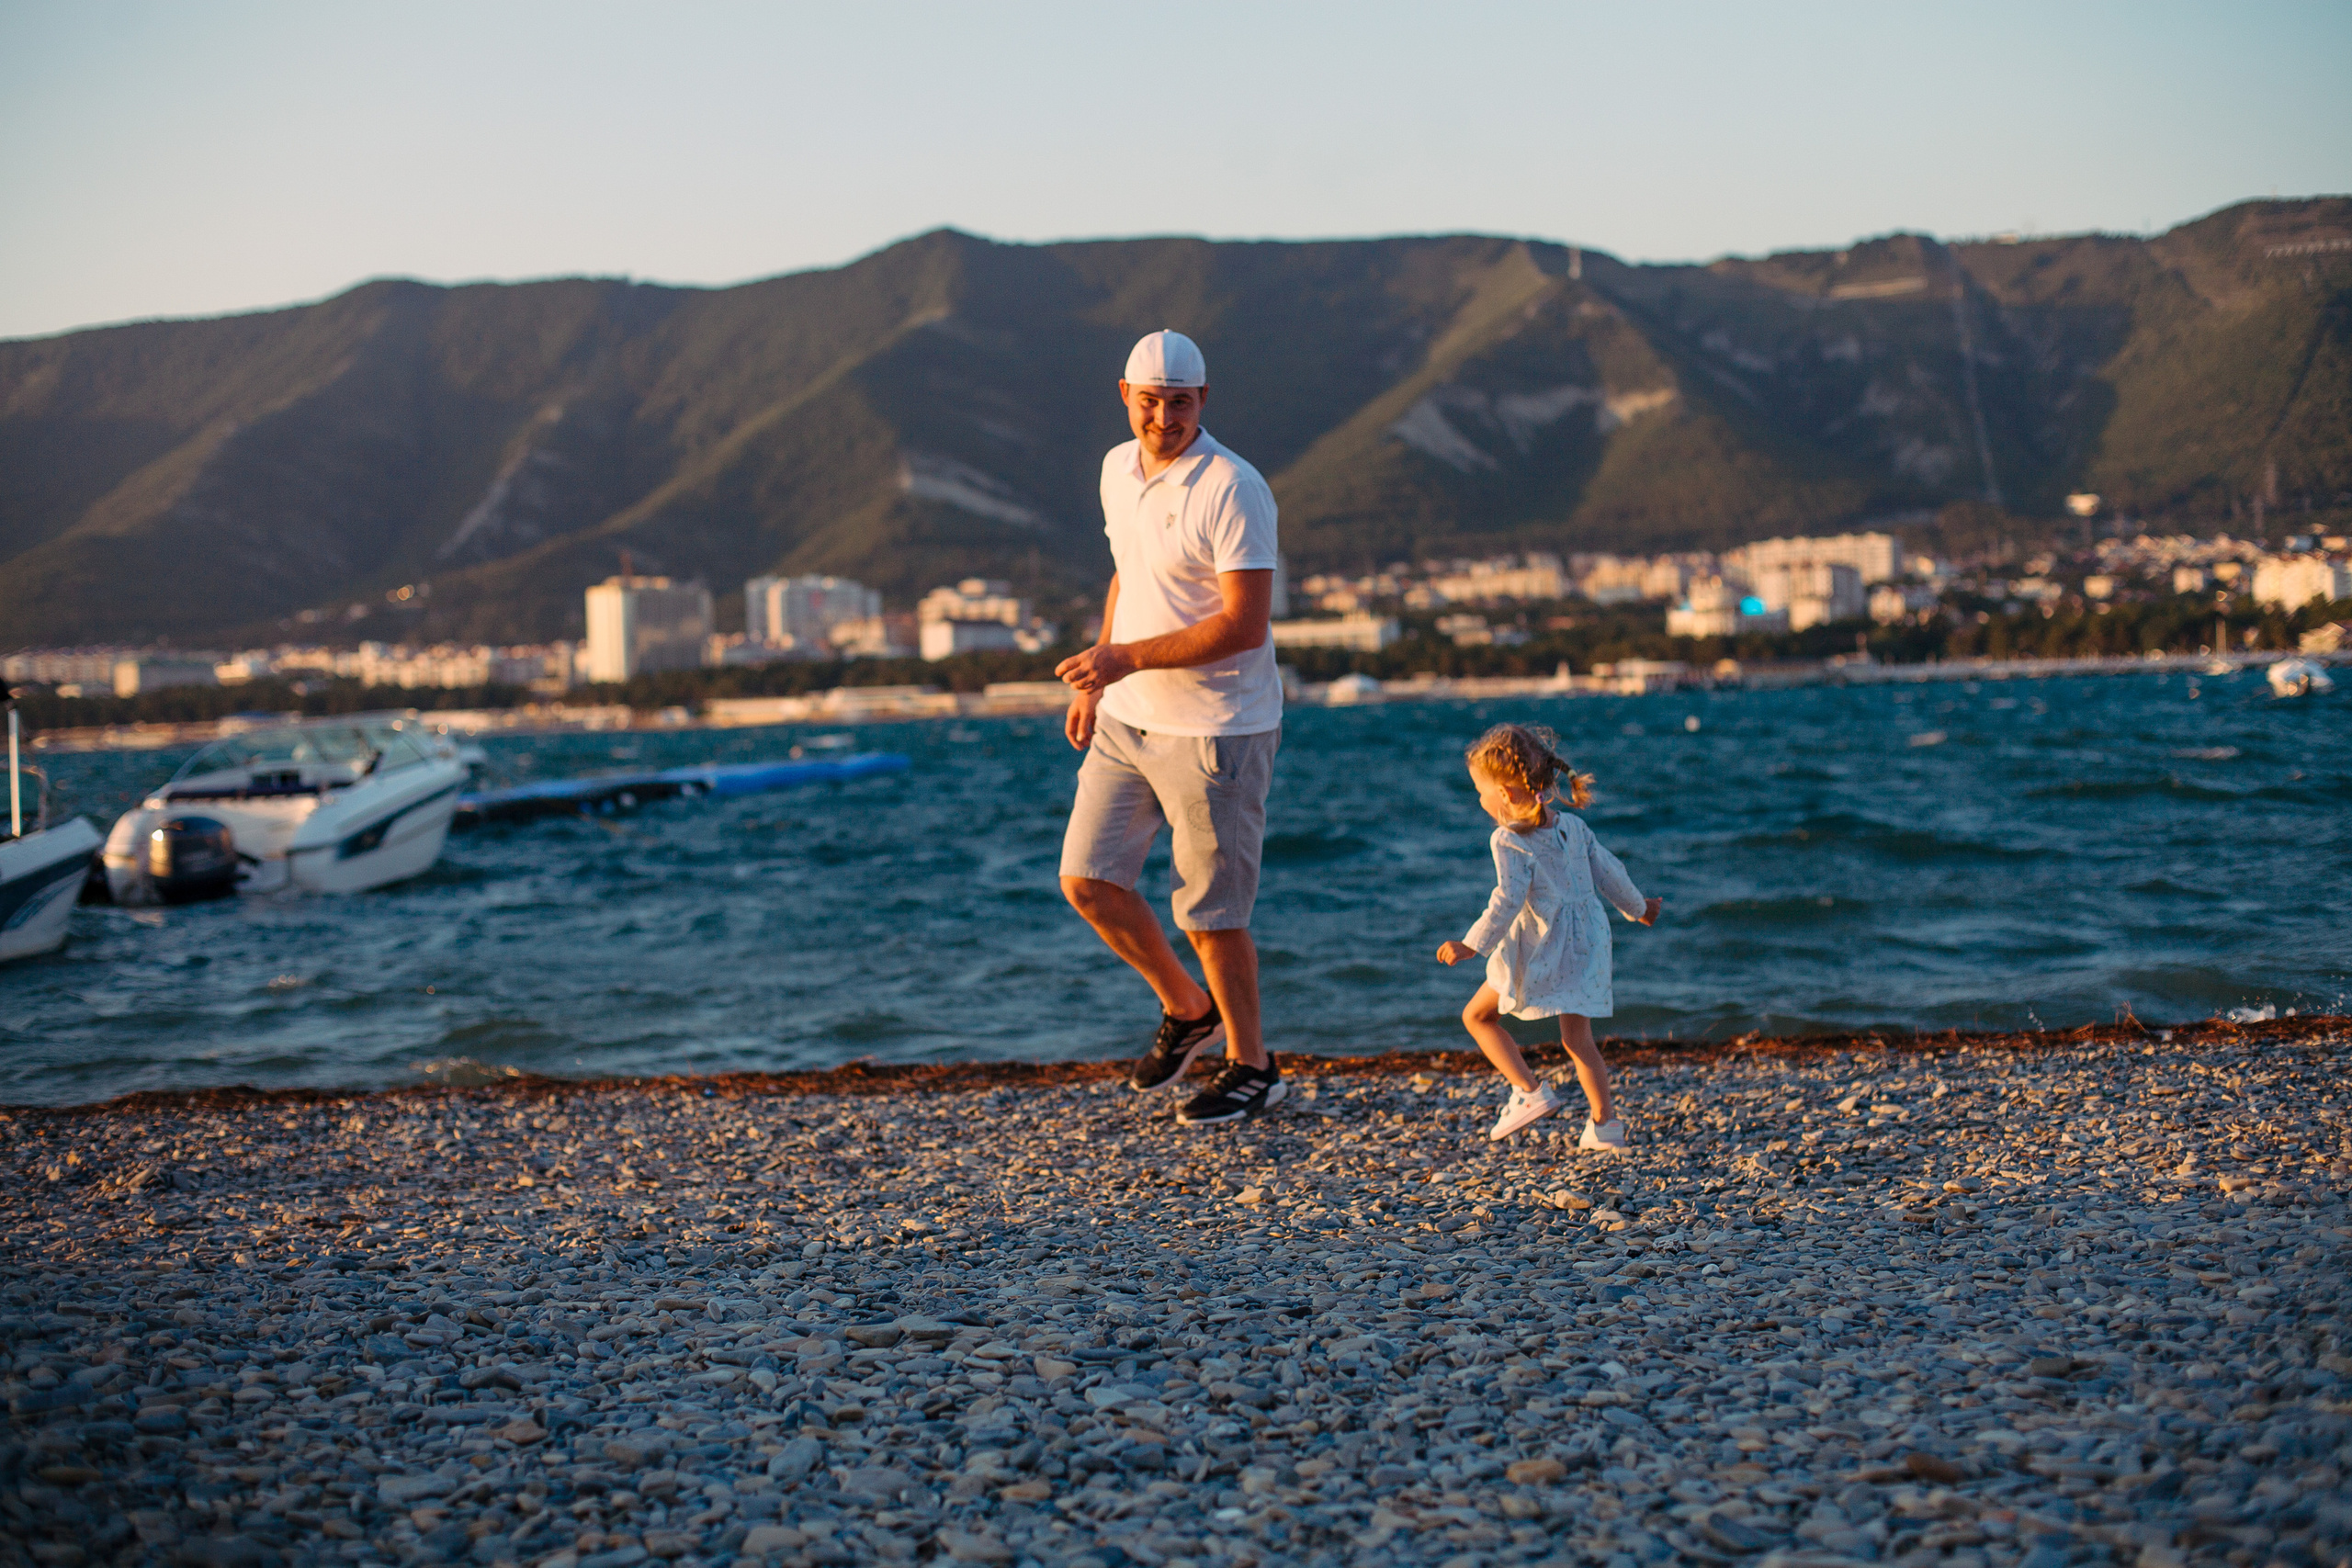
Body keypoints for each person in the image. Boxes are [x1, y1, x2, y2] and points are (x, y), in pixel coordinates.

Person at [1056, 329, 1286, 1127]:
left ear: (1204, 400)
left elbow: (1245, 625)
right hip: (1126, 715)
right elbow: (1129, 571)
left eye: (1179, 403)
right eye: (1149, 401)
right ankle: (1188, 1009)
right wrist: (1100, 672)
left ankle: (1254, 1065)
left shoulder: (1233, 486)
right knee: (1087, 880)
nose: (1163, 418)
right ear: (1125, 395)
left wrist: (1124, 659)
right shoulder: (1118, 469)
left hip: (1217, 726)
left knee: (1212, 914)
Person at [1435, 722, 1662, 1145]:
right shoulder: (1573, 827)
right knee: (1578, 1040)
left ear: (1504, 794)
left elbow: (1506, 899)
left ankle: (1528, 1092)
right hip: (1583, 946)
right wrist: (1639, 908)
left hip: (1539, 947)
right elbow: (1608, 872)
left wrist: (1471, 945)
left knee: (1478, 1016)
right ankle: (1605, 1126)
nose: (1480, 801)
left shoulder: (1508, 840)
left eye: (1480, 792)